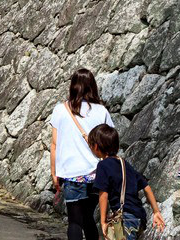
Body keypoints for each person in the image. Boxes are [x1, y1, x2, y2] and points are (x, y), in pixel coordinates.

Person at [50, 69, 114, 240]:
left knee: (75, 221)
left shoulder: (60, 110)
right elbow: (110, 141)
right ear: (92, 86)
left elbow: (54, 144)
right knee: (88, 218)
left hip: (72, 175)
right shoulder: (101, 111)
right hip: (97, 175)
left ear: (73, 86)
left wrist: (54, 172)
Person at [88, 123, 165, 239]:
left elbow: (103, 194)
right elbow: (146, 187)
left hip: (126, 219)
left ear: (96, 147)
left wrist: (103, 221)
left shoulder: (103, 165)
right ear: (117, 147)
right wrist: (156, 211)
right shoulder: (125, 164)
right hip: (139, 217)